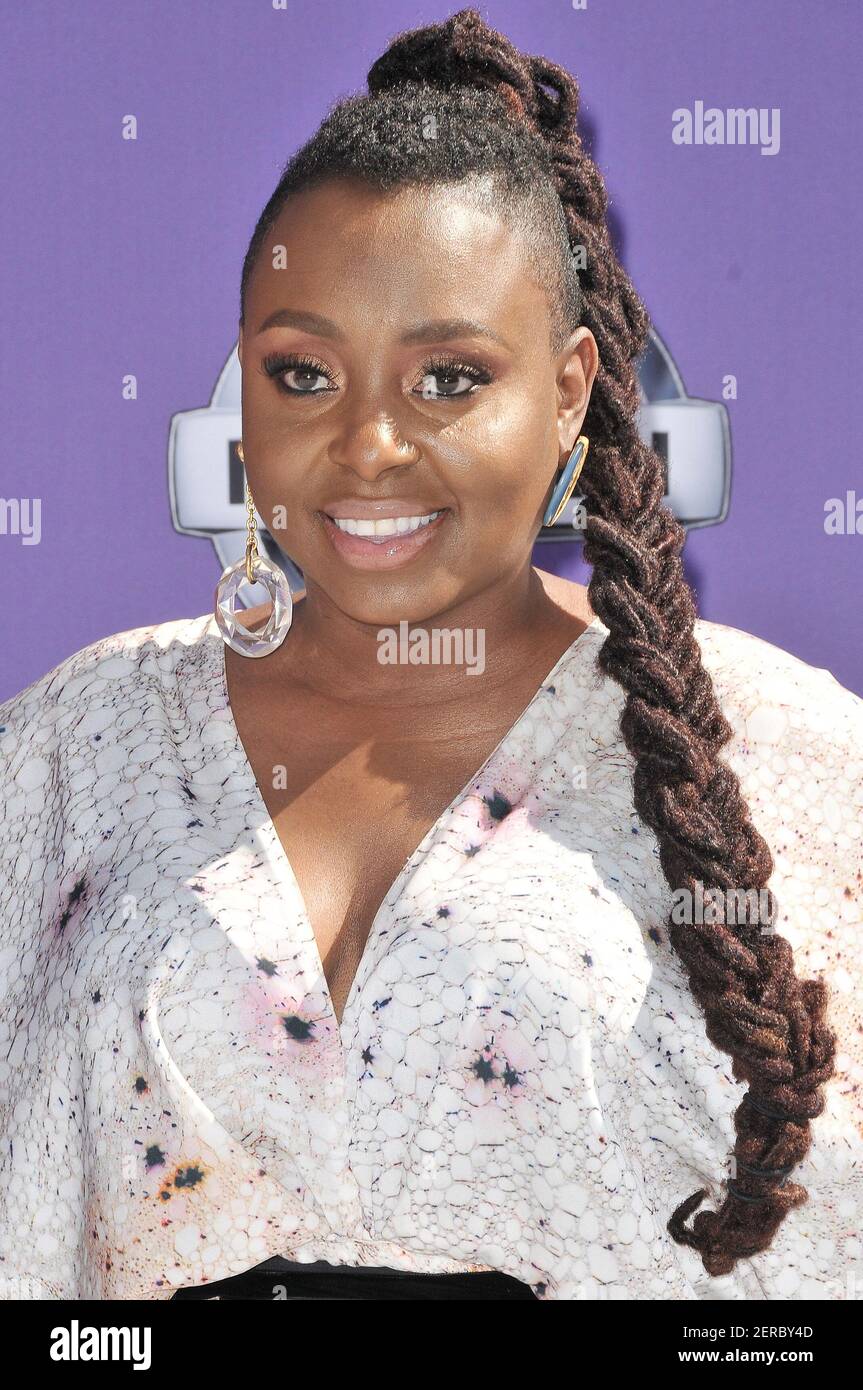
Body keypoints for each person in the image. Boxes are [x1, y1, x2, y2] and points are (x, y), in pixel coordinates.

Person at [1, 8, 860, 1303]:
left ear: (571, 388)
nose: (368, 445)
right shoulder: (75, 747)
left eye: (449, 379)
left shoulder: (793, 764)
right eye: (303, 375)